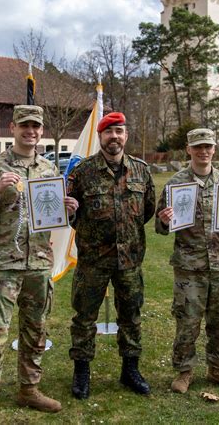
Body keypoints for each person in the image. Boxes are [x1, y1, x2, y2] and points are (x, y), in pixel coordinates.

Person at [0, 105, 78, 425]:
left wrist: (67, 208)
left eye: (36, 126)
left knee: (35, 332)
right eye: (25, 125)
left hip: (39, 264)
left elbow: (52, 216)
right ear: (12, 127)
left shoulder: (48, 170)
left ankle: (29, 388)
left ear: (42, 131)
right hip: (4, 265)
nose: (31, 131)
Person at [155, 128, 219, 394]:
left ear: (214, 149)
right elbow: (160, 226)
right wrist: (164, 220)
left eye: (208, 146)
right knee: (187, 319)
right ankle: (184, 371)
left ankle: (218, 369)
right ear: (188, 149)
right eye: (198, 146)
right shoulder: (176, 183)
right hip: (190, 265)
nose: (203, 151)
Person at [66, 112, 156, 399]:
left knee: (131, 316)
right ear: (100, 136)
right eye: (108, 132)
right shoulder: (82, 173)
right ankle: (82, 372)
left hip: (129, 260)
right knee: (84, 318)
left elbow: (148, 210)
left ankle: (130, 369)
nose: (114, 137)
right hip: (93, 261)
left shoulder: (141, 171)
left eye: (119, 131)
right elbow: (71, 215)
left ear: (126, 136)